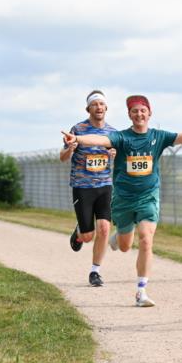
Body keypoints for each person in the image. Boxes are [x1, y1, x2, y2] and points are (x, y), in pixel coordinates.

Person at [63, 95, 182, 307]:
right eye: (135, 111)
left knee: (145, 239)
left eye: (143, 110)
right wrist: (77, 139)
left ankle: (141, 291)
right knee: (125, 246)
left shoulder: (159, 137)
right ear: (129, 115)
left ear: (149, 113)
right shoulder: (121, 137)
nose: (139, 114)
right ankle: (118, 237)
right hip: (124, 199)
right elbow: (100, 140)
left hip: (148, 198)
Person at [61, 90, 117, 287]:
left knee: (104, 228)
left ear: (106, 108)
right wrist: (70, 148)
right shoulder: (77, 129)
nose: (99, 107)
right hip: (83, 187)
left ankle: (95, 272)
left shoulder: (113, 132)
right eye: (95, 104)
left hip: (104, 185)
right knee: (87, 236)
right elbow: (62, 157)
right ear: (88, 108)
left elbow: (119, 160)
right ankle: (79, 232)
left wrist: (115, 155)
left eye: (102, 104)